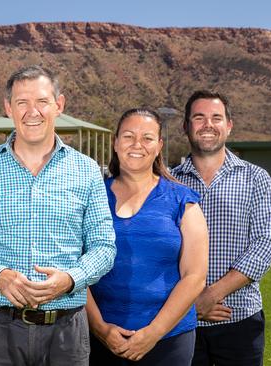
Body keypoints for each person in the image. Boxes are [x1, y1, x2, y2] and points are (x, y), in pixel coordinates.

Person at [0, 65, 117, 366]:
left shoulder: (87, 170)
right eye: (22, 103)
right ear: (8, 108)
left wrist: (70, 279)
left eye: (41, 101)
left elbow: (104, 247)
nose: (32, 112)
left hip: (67, 330)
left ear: (59, 105)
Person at [87, 108, 209, 365]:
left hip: (169, 340)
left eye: (147, 138)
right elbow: (75, 266)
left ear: (159, 146)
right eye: (129, 136)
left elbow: (195, 276)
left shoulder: (182, 200)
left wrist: (153, 333)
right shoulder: (92, 197)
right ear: (116, 143)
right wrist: (100, 328)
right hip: (100, 339)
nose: (137, 145)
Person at [171, 90, 271, 366]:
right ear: (186, 126)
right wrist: (191, 303)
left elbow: (265, 245)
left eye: (216, 117)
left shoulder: (256, 178)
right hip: (180, 322)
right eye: (199, 117)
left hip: (240, 319)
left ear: (229, 125)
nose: (208, 124)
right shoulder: (168, 182)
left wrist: (210, 296)